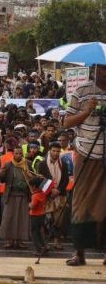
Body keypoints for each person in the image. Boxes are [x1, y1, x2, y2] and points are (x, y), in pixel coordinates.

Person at [63, 68, 106, 267]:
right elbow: (66, 122)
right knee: (80, 202)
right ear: (95, 69)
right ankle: (79, 253)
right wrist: (87, 111)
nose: (104, 72)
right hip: (85, 154)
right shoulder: (80, 91)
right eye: (102, 68)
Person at [0, 145, 31, 249]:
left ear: (22, 154)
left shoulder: (27, 164)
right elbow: (1, 180)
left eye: (20, 153)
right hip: (11, 194)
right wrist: (2, 173)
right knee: (9, 218)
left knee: (22, 219)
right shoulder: (8, 165)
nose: (18, 155)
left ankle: (20, 240)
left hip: (24, 195)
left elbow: (32, 178)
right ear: (13, 154)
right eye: (16, 153)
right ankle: (9, 240)